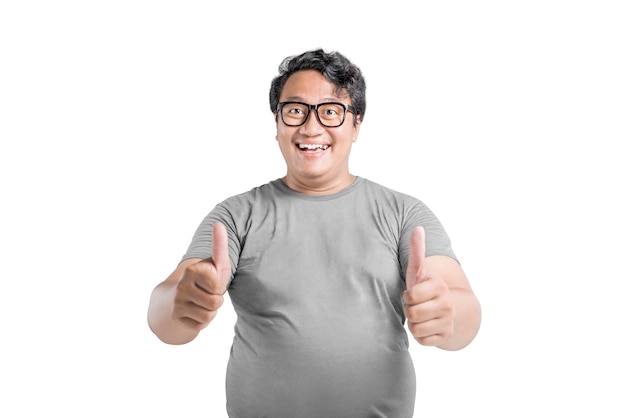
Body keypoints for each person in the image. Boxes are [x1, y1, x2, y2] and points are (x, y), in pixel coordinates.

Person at [147, 48, 481, 418]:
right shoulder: (236, 216)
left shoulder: (404, 214)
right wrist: (182, 301)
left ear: (356, 125)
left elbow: (465, 312)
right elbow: (164, 319)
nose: (311, 127)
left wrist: (446, 312)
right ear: (277, 124)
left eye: (331, 111)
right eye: (295, 110)